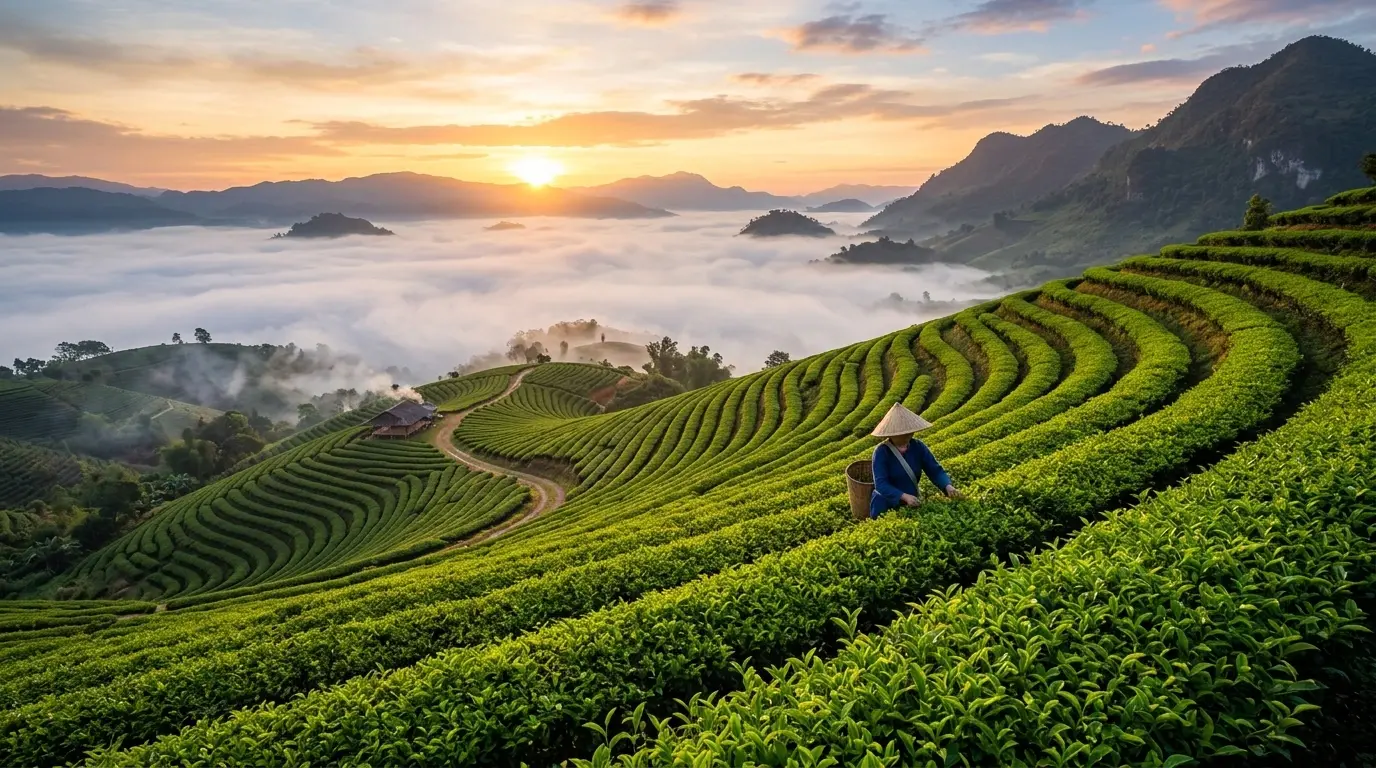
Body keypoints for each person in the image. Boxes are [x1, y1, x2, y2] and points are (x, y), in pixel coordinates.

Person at [869, 402, 960, 519]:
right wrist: (903, 496)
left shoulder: (918, 447)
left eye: (909, 432)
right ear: (891, 434)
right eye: (903, 433)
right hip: (885, 503)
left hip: (911, 502)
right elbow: (881, 484)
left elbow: (934, 470)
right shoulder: (881, 452)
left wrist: (947, 486)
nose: (908, 435)